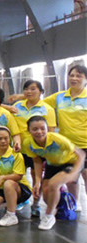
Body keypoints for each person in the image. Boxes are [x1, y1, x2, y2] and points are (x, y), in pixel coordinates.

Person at [24, 116, 85, 231]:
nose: (39, 132)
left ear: (47, 128)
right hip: (52, 164)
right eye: (35, 129)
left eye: (43, 128)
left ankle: (49, 215)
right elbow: (37, 161)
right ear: (29, 130)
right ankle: (58, 203)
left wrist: (74, 172)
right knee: (47, 194)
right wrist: (37, 181)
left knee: (53, 184)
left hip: (70, 163)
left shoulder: (57, 139)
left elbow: (81, 154)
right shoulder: (28, 143)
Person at [42, 64, 87, 208]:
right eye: (71, 75)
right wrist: (20, 97)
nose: (74, 78)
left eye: (79, 76)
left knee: (86, 174)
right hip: (66, 146)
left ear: (85, 79)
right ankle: (74, 203)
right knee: (71, 177)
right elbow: (38, 103)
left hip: (85, 144)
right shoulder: (59, 96)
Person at [13, 80, 56, 216]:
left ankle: (36, 204)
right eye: (26, 89)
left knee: (36, 175)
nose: (29, 92)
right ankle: (21, 199)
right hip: (19, 148)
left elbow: (50, 132)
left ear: (41, 92)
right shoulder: (17, 106)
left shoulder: (47, 109)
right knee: (17, 175)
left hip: (37, 149)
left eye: (33, 89)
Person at [0, 126, 32, 227]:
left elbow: (18, 176)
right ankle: (11, 203)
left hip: (19, 188)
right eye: (0, 138)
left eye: (6, 138)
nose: (3, 141)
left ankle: (11, 215)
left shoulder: (16, 155)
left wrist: (2, 177)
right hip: (1, 188)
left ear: (10, 139)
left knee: (8, 183)